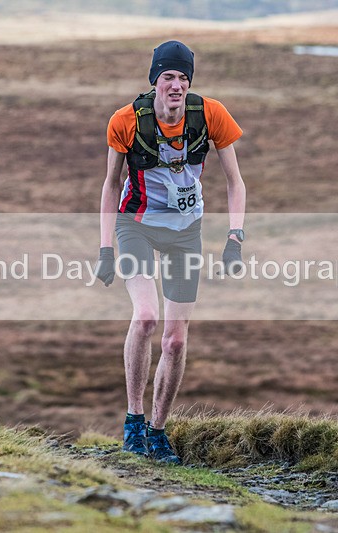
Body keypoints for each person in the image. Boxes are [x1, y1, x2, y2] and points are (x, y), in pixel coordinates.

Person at [96, 40, 247, 464]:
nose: (177, 85)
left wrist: (235, 236)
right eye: (168, 77)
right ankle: (133, 420)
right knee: (145, 316)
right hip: (136, 225)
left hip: (186, 232)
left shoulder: (211, 115)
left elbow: (236, 182)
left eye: (183, 77)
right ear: (155, 82)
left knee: (176, 341)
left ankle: (158, 432)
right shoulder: (126, 121)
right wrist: (105, 248)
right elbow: (110, 185)